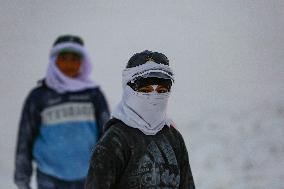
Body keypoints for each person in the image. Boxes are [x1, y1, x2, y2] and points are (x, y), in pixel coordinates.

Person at [86, 50, 195, 189]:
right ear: (128, 91)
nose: (154, 97)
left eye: (161, 90)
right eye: (145, 90)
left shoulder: (174, 139)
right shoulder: (114, 140)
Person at [14, 35, 110, 189]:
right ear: (54, 61)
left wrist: (109, 173)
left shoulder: (93, 95)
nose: (69, 64)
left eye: (75, 58)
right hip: (49, 178)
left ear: (82, 62)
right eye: (63, 58)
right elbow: (25, 138)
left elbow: (107, 138)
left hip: (87, 177)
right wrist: (22, 176)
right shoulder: (39, 96)